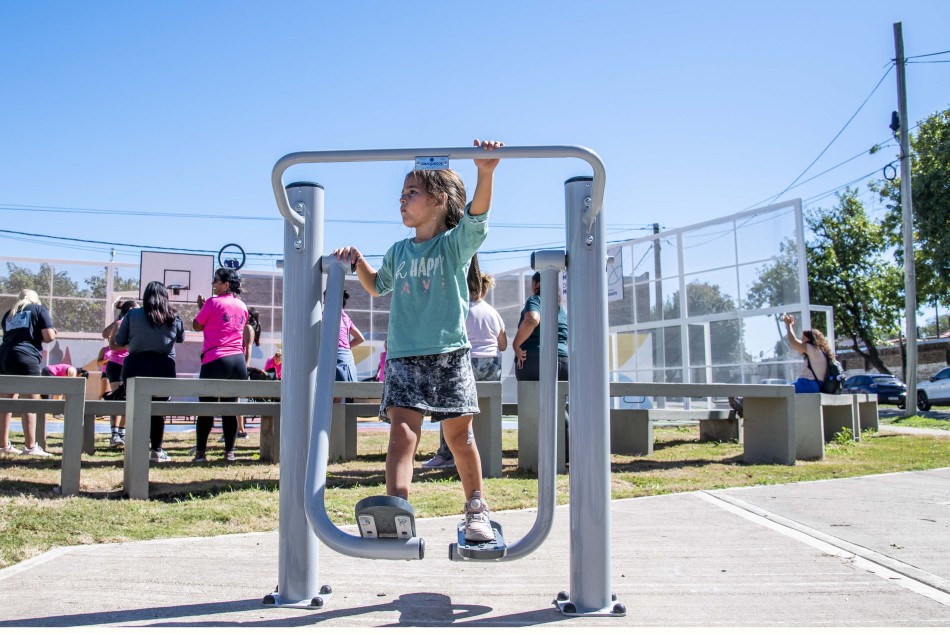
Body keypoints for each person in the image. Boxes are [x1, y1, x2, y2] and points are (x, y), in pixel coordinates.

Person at [333, 137, 504, 542]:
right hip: (405, 358)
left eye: (412, 193)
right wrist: (358, 262)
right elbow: (376, 286)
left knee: (458, 437)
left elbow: (476, 216)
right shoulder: (397, 251)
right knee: (402, 436)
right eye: (402, 193)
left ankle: (476, 508)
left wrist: (485, 172)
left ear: (439, 199)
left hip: (448, 355)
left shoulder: (452, 246)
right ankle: (397, 509)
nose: (402, 200)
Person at [423, 272, 507, 469]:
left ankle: (446, 454)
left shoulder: (459, 310)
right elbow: (502, 344)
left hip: (466, 363)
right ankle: (487, 450)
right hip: (492, 367)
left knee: (449, 407)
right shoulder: (493, 312)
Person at [111, 281, 185, 463]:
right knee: (158, 410)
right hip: (164, 366)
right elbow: (181, 338)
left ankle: (136, 449)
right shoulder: (173, 316)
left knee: (136, 408)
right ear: (165, 297)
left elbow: (120, 341)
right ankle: (157, 451)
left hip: (135, 365)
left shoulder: (132, 315)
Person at [193, 267, 250, 462]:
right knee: (230, 408)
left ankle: (200, 453)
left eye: (216, 281)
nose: (213, 284)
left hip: (216, 358)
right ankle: (230, 452)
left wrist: (201, 307)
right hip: (238, 362)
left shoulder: (212, 302)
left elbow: (197, 325)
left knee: (206, 408)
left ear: (226, 284)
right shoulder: (242, 306)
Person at [729, 313, 835, 416]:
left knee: (770, 387)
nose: (802, 341)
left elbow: (793, 342)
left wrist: (788, 325)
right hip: (809, 385)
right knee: (774, 385)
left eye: (804, 339)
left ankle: (744, 405)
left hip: (808, 385)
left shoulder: (813, 349)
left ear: (811, 339)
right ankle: (746, 403)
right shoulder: (821, 352)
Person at [0, 289, 57, 456]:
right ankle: (30, 446)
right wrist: (54, 332)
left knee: (5, 402)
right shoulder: (39, 309)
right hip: (25, 356)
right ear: (35, 299)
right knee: (30, 402)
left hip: (4, 356)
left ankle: (3, 445)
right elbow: (48, 337)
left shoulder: (9, 314)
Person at [512, 271, 569, 381]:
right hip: (563, 362)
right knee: (561, 398)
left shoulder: (536, 299)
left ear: (537, 284)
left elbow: (532, 319)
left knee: (532, 398)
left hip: (536, 361)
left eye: (532, 283)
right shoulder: (562, 309)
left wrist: (516, 345)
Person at [102, 299, 139, 448]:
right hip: (116, 365)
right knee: (118, 399)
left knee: (129, 399)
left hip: (131, 365)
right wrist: (130, 345)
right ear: (129, 310)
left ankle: (123, 432)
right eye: (136, 309)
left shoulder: (137, 324)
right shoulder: (119, 324)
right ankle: (114, 434)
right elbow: (112, 345)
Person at [332, 289, 365, 403]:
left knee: (330, 395)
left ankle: (331, 420)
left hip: (334, 355)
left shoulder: (326, 314)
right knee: (340, 395)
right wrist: (346, 346)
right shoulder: (346, 318)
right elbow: (361, 338)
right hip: (346, 357)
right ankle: (337, 420)